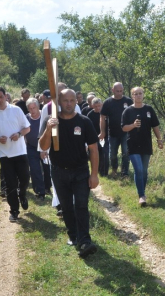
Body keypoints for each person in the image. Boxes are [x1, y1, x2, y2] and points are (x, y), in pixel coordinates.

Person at [39, 89, 100, 258]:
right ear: (59, 102)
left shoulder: (84, 121)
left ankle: (85, 241)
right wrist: (49, 129)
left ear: (76, 102)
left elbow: (94, 149)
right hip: (58, 171)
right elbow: (43, 146)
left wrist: (94, 174)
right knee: (66, 207)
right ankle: (73, 236)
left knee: (81, 205)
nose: (69, 103)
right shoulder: (51, 121)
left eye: (72, 100)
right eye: (65, 100)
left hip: (80, 171)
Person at [0, 86, 31, 222]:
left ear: (6, 96)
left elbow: (27, 128)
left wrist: (19, 134)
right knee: (10, 184)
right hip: (4, 155)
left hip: (20, 151)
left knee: (24, 179)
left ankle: (22, 194)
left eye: (1, 97)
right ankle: (14, 211)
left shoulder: (16, 110)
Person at [121, 86, 163, 207]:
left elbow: (155, 126)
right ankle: (141, 195)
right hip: (133, 144)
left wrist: (159, 140)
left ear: (143, 95)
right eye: (135, 94)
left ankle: (142, 192)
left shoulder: (149, 109)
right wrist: (133, 125)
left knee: (144, 171)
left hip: (146, 144)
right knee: (138, 170)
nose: (138, 96)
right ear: (132, 96)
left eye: (140, 93)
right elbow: (123, 128)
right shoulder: (128, 111)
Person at [99, 82, 133, 177]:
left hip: (126, 132)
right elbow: (102, 117)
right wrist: (102, 131)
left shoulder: (128, 101)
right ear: (112, 90)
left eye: (121, 91)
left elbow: (133, 114)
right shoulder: (108, 102)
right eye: (117, 91)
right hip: (113, 133)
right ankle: (114, 169)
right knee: (113, 154)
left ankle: (125, 172)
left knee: (126, 153)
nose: (119, 93)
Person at [25, 97, 47, 200]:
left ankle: (48, 187)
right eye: (30, 108)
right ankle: (40, 192)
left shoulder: (45, 116)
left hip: (45, 146)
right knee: (34, 169)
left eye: (34, 108)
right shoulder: (26, 118)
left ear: (38, 107)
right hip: (31, 147)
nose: (32, 110)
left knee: (47, 168)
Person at [86, 97, 109, 177]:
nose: (98, 108)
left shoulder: (105, 113)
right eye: (96, 106)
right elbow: (88, 128)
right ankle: (97, 169)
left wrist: (104, 134)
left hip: (106, 136)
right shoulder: (90, 115)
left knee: (105, 153)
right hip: (94, 137)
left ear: (102, 105)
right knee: (97, 154)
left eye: (99, 106)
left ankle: (104, 172)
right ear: (92, 106)